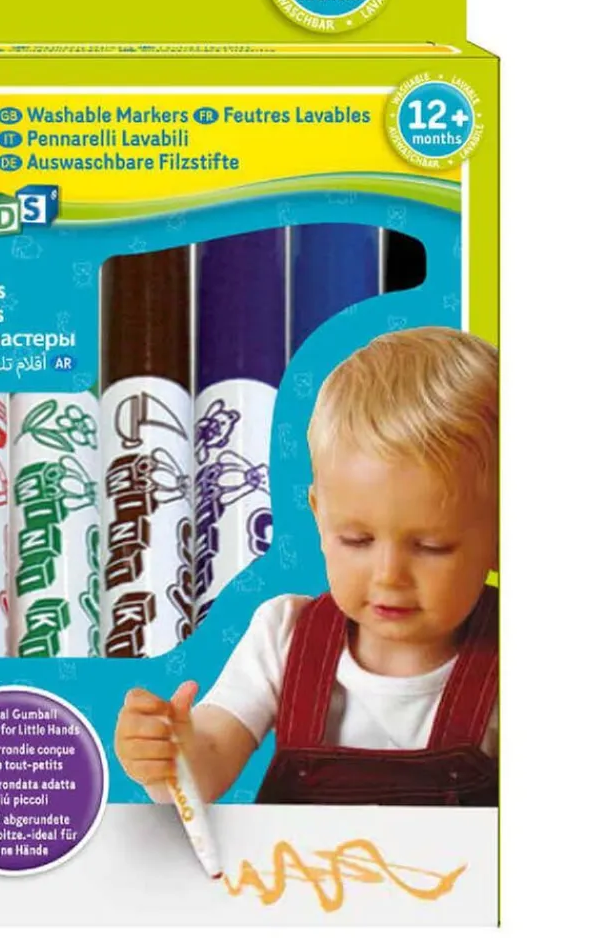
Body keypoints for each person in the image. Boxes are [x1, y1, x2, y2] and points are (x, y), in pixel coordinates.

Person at [115, 326, 499, 806]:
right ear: (319, 518)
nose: (389, 575)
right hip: (294, 862)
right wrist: (170, 755)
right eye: (357, 540)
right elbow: (209, 759)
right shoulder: (285, 634)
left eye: (431, 546)